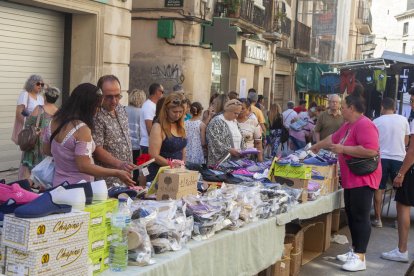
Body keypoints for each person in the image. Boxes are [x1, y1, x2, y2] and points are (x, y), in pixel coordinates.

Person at [311, 93, 381, 272]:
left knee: (360, 216)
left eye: (343, 106)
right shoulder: (349, 125)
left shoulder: (365, 124)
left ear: (352, 108)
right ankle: (354, 250)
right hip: (352, 179)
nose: (340, 109)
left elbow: (371, 151)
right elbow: (333, 138)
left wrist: (343, 149)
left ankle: (360, 256)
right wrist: (317, 146)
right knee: (351, 214)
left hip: (363, 178)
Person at [43, 83, 134, 187]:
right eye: (97, 106)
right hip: (78, 189)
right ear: (87, 105)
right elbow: (84, 166)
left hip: (57, 185)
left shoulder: (52, 122)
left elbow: (46, 150)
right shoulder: (81, 129)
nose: (97, 110)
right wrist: (116, 173)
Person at [381, 89, 414, 263]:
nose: (412, 104)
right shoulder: (406, 120)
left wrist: (401, 173)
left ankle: (402, 250)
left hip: (410, 168)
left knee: (403, 206)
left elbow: (412, 151)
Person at [371, 98, 409, 228]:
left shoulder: (376, 121)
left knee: (379, 188)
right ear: (395, 108)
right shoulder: (403, 120)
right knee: (400, 190)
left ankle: (378, 219)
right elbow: (406, 141)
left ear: (382, 107)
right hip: (399, 158)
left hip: (381, 158)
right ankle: (400, 220)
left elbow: (372, 141)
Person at [93, 75, 135, 187]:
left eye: (117, 96)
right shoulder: (96, 115)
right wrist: (119, 164)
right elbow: (97, 149)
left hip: (124, 176)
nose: (114, 101)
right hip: (107, 180)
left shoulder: (120, 109)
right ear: (100, 95)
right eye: (109, 97)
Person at [20, 87, 60, 179]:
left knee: (29, 171)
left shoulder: (39, 108)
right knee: (46, 170)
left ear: (45, 97)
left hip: (36, 143)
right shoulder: (59, 112)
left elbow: (28, 123)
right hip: (50, 145)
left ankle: (27, 190)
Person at [147, 93, 187, 182]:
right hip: (160, 174)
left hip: (177, 172)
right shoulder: (158, 127)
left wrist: (182, 164)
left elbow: (183, 149)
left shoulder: (180, 125)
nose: (177, 115)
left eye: (180, 112)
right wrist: (172, 164)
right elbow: (153, 155)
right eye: (174, 112)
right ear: (166, 110)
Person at [206, 99, 245, 166]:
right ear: (228, 111)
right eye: (235, 113)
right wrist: (229, 150)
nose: (237, 116)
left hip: (235, 161)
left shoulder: (234, 122)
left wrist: (243, 150)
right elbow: (213, 141)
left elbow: (241, 138)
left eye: (238, 113)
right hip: (221, 163)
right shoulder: (216, 122)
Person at [126, 89, 147, 182]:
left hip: (125, 143)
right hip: (137, 145)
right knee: (138, 165)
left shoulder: (124, 109)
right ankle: (136, 182)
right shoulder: (141, 112)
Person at [140, 83, 164, 154]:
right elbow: (149, 127)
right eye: (162, 92)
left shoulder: (151, 105)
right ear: (157, 92)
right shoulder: (149, 106)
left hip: (151, 144)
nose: (163, 94)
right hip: (148, 144)